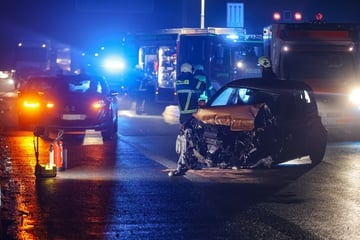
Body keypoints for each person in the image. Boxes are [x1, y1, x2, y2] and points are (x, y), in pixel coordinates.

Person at [175, 63, 206, 127]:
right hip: (191, 111)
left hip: (182, 111)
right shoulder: (191, 79)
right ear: (190, 69)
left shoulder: (178, 79)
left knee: (184, 130)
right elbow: (203, 86)